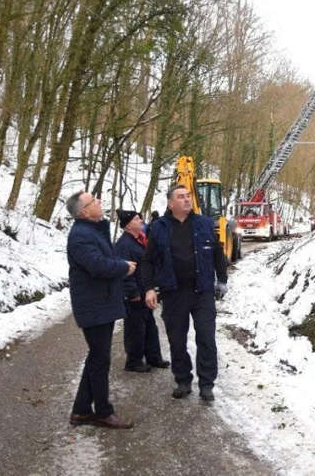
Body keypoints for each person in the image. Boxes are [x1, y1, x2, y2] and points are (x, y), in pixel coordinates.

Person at [142, 184, 228, 402]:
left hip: (202, 292)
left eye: (188, 196)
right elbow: (148, 261)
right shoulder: (158, 227)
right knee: (177, 340)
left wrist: (223, 281)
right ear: (171, 203)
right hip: (173, 293)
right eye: (181, 197)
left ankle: (207, 385)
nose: (187, 200)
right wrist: (149, 288)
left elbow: (218, 253)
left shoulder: (204, 223)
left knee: (207, 339)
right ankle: (183, 380)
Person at [65, 190, 136, 429]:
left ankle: (82, 411)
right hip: (93, 305)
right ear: (84, 211)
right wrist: (123, 266)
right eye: (94, 201)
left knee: (97, 356)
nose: (99, 201)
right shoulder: (80, 236)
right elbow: (97, 265)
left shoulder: (93, 230)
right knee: (99, 358)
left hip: (100, 303)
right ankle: (103, 412)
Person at [114, 209, 169, 373]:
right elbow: (124, 271)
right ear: (129, 224)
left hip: (145, 290)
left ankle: (153, 357)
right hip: (135, 294)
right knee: (135, 328)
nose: (141, 221)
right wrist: (133, 294)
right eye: (138, 219)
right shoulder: (124, 244)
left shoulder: (140, 240)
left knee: (150, 325)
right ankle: (133, 361)